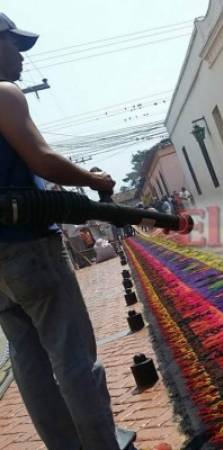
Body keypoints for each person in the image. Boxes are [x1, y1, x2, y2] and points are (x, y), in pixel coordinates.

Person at [0, 13, 124, 450]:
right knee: (72, 357)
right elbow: (41, 158)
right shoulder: (4, 94)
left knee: (27, 360)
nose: (19, 58)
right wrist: (93, 181)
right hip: (28, 247)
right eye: (13, 45)